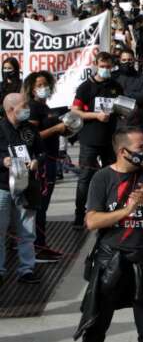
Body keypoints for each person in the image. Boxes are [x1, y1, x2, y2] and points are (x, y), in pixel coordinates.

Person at [75, 127, 143, 342]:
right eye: (141, 147)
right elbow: (92, 221)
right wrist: (126, 211)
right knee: (95, 326)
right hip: (110, 259)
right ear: (123, 151)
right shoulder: (102, 178)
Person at [72, 52, 125, 228]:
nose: (105, 69)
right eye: (102, 66)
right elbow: (75, 111)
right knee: (85, 177)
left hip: (110, 140)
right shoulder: (85, 87)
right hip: (90, 139)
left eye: (109, 67)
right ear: (96, 65)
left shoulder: (115, 86)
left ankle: (110, 213)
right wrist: (95, 115)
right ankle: (80, 215)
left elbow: (123, 109)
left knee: (112, 176)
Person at [23, 71, 66, 263]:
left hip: (51, 159)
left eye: (45, 84)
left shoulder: (44, 106)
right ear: (32, 88)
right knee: (40, 205)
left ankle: (41, 244)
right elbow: (32, 136)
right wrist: (56, 129)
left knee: (43, 205)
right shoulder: (33, 108)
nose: (43, 88)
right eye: (39, 85)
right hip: (42, 161)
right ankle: (37, 247)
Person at [0, 93, 41, 284]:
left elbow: (42, 152)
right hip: (3, 186)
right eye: (24, 106)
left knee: (27, 230)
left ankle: (27, 269)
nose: (28, 109)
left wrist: (36, 161)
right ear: (10, 109)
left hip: (26, 185)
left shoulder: (30, 129)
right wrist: (3, 160)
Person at [113, 47, 143, 133]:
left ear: (134, 60)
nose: (127, 62)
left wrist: (122, 94)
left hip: (137, 125)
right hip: (116, 125)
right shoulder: (112, 77)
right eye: (124, 60)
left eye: (130, 60)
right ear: (119, 60)